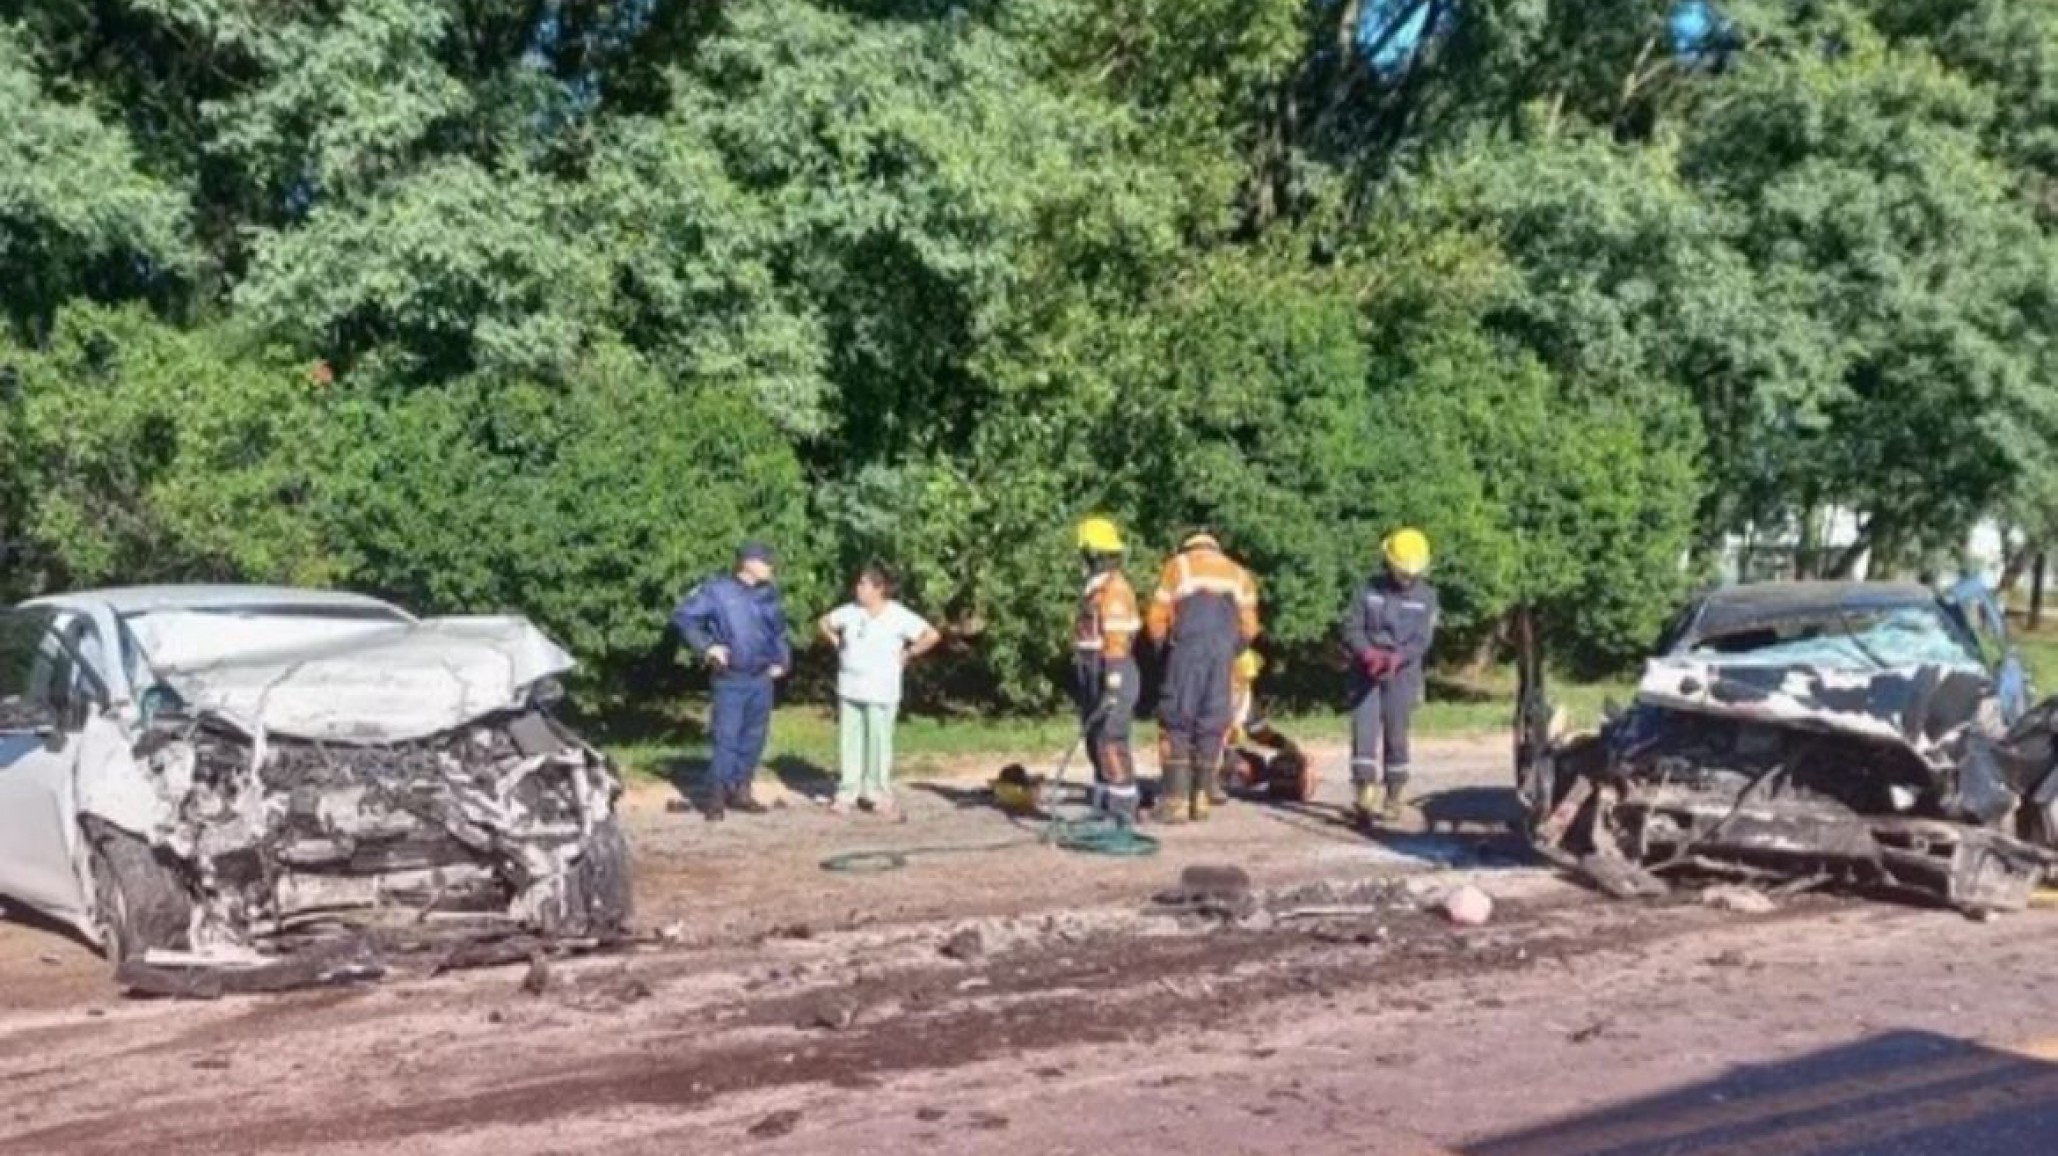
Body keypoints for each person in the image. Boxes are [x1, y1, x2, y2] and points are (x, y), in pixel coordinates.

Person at [1145, 529, 1260, 823]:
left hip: (1187, 647)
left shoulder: (1178, 566)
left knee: (1176, 718)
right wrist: (1229, 651)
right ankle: (1202, 797)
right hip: (1222, 652)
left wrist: (1162, 651)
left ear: (1188, 547)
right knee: (1211, 721)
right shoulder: (1238, 573)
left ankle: (1176, 801)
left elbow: (1156, 618)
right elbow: (1249, 627)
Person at [673, 542, 791, 821]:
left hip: (761, 678)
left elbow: (779, 631)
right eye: (766, 561)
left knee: (753, 738)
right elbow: (684, 617)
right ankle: (716, 797)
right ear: (748, 563)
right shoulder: (717, 591)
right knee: (726, 738)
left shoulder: (768, 593)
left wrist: (782, 660)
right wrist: (707, 647)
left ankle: (741, 791)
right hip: (730, 679)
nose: (771, 566)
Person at [818, 563, 940, 817]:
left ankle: (878, 793)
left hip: (882, 689)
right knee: (850, 742)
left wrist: (909, 653)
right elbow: (824, 622)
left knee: (879, 742)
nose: (858, 588)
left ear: (879, 588)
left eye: (864, 584)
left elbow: (931, 635)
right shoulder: (850, 612)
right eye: (858, 583)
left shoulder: (898, 615)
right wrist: (836, 641)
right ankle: (847, 792)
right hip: (851, 687)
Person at [1340, 527, 1439, 828]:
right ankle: (1363, 796)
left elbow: (1422, 639)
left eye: (1412, 573)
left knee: (1397, 734)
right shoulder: (1367, 589)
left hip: (1403, 674)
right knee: (1364, 731)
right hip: (1365, 670)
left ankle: (1394, 796)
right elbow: (1351, 627)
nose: (1407, 578)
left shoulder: (1427, 597)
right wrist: (1367, 653)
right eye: (1402, 572)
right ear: (1389, 563)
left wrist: (1399, 658)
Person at [1072, 517, 1144, 825]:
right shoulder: (1093, 588)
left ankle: (1123, 809)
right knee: (1094, 738)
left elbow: (1116, 641)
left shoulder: (1114, 590)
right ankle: (1102, 804)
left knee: (1110, 738)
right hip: (1091, 668)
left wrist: (1112, 686)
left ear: (1093, 552)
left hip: (1113, 669)